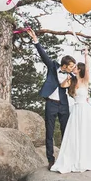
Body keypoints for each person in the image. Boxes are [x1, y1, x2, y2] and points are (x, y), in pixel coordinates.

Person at [27, 28, 76, 169]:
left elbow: (75, 89)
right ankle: (51, 160)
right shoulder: (53, 66)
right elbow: (43, 55)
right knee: (49, 132)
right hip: (51, 104)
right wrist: (35, 40)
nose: (72, 68)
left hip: (64, 105)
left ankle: (67, 158)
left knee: (66, 131)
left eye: (73, 66)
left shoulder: (72, 76)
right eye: (71, 66)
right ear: (64, 65)